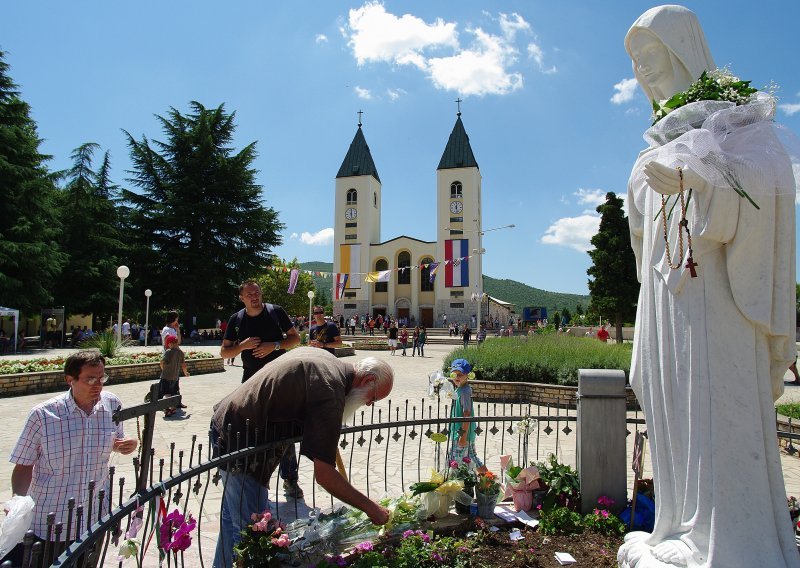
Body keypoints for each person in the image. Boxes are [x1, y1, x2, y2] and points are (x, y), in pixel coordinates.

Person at [618, 6, 799, 568]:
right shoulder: (651, 146)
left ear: (683, 53)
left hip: (716, 306)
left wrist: (699, 183)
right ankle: (675, 525)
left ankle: (729, 543)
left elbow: (771, 188)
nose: (645, 72)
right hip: (666, 306)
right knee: (673, 413)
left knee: (716, 413)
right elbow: (642, 238)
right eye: (637, 65)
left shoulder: (740, 125)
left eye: (652, 57)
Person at [210, 347, 394, 568]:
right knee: (251, 537)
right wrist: (372, 509)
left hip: (233, 427)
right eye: (372, 398)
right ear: (367, 379)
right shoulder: (330, 390)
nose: (368, 404)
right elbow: (324, 475)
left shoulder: (330, 364)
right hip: (240, 440)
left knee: (233, 525)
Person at [5, 351, 138, 567]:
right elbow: (23, 464)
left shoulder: (111, 404)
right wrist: (17, 500)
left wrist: (123, 445)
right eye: (90, 379)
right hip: (52, 520)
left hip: (93, 515)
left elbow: (114, 438)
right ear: (70, 380)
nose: (98, 385)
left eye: (102, 378)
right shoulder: (43, 415)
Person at [220, 280, 302, 498]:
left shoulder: (276, 312)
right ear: (242, 298)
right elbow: (224, 353)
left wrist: (273, 345)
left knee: (286, 428)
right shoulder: (236, 319)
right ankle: (253, 478)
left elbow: (295, 338)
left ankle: (290, 479)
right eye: (249, 294)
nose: (254, 296)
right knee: (250, 428)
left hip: (280, 380)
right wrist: (242, 346)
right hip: (250, 382)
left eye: (257, 292)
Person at [447, 358, 487, 474]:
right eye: (454, 374)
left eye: (460, 374)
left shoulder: (464, 391)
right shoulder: (461, 389)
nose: (457, 377)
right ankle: (490, 480)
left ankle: (454, 485)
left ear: (467, 375)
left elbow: (467, 414)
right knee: (473, 458)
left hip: (462, 433)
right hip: (461, 432)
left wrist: (463, 436)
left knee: (455, 462)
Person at [160, 335, 189, 416]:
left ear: (170, 344)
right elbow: (183, 365)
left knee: (166, 393)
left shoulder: (168, 351)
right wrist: (185, 373)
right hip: (175, 377)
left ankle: (167, 409)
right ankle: (173, 408)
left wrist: (163, 369)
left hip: (166, 376)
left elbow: (162, 362)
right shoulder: (181, 353)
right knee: (173, 393)